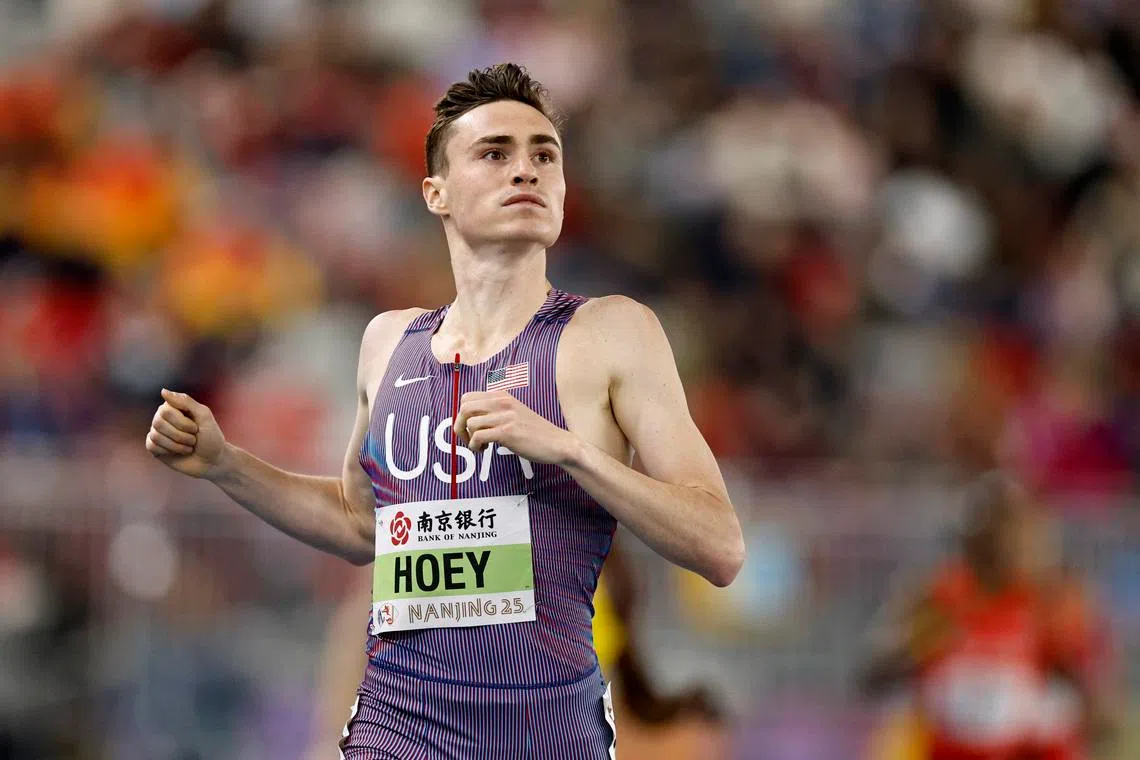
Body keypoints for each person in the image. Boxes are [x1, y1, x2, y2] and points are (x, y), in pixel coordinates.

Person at [145, 63, 745, 759]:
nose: (526, 170)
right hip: (395, 731)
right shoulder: (387, 341)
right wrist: (227, 466)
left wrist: (572, 450)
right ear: (437, 192)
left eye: (544, 155)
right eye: (494, 153)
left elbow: (721, 547)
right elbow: (359, 523)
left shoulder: (612, 333)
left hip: (545, 737)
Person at [858, 472, 1115, 760]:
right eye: (1007, 532)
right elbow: (871, 677)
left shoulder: (1049, 601)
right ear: (977, 539)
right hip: (942, 746)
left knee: (1055, 715)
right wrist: (913, 649)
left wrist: (1083, 696)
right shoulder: (937, 596)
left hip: (1021, 747)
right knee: (899, 727)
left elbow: (1091, 699)